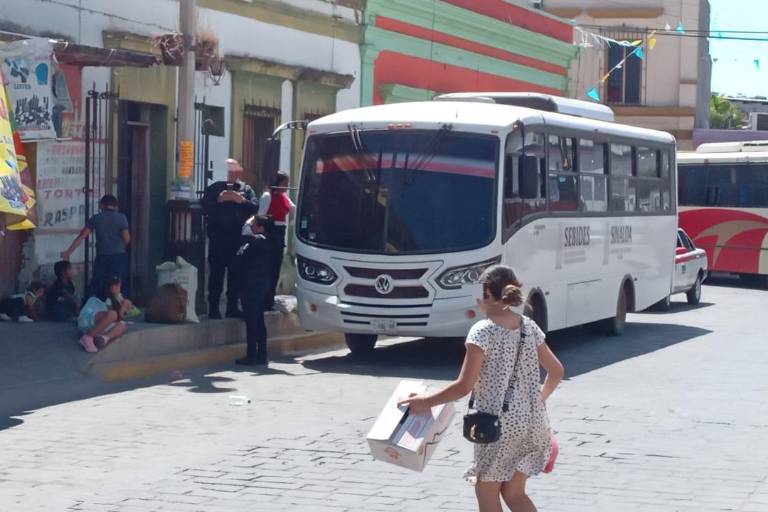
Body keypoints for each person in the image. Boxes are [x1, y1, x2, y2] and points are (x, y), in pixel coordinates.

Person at [398, 265, 564, 512]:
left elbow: (464, 386)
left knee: (487, 492)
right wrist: (538, 400)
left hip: (498, 427)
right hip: (534, 423)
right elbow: (557, 370)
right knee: (515, 494)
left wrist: (424, 401)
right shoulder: (529, 327)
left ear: (487, 294)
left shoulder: (482, 331)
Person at [201, 158, 258, 319]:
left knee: (236, 274)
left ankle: (232, 307)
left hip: (237, 239)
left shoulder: (246, 189)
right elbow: (204, 206)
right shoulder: (214, 188)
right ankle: (213, 308)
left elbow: (256, 207)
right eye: (229, 170)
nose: (232, 173)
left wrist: (242, 200)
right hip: (218, 238)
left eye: (235, 170)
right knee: (216, 274)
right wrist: (220, 200)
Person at [61, 194, 130, 297]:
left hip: (102, 256)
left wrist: (69, 251)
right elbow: (127, 239)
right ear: (116, 206)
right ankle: (118, 307)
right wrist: (118, 246)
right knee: (118, 283)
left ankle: (90, 306)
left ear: (102, 205)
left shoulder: (96, 218)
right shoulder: (122, 218)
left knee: (97, 283)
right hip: (119, 256)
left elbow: (82, 236)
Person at [234, 215, 273, 366]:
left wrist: (248, 220)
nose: (252, 227)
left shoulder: (260, 241)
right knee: (257, 319)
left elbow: (245, 232)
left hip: (254, 284)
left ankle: (252, 355)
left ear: (261, 228)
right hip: (254, 283)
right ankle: (261, 354)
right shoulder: (262, 242)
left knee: (252, 320)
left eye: (255, 225)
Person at [257, 171, 296, 309]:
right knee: (267, 269)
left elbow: (293, 210)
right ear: (277, 183)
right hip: (270, 234)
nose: (286, 187)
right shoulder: (267, 196)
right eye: (284, 184)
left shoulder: (284, 197)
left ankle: (270, 300)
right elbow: (261, 216)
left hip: (279, 235)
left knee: (275, 269)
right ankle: (263, 299)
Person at [77, 274, 130, 353]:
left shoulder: (117, 298)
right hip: (89, 322)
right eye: (117, 286)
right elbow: (110, 313)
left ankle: (104, 338)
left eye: (119, 286)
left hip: (103, 326)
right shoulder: (98, 299)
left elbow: (118, 318)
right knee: (113, 314)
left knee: (123, 326)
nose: (119, 289)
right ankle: (88, 337)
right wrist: (120, 309)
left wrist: (124, 308)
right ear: (111, 287)